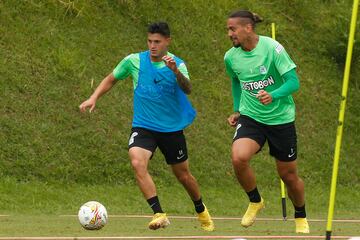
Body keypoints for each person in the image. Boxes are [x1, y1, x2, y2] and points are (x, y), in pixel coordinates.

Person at [79, 22, 214, 231]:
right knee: (137, 162)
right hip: (144, 126)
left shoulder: (177, 64)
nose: (153, 45)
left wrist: (175, 71)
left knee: (183, 175)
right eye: (150, 41)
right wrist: (93, 97)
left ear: (167, 41)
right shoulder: (134, 61)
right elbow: (111, 78)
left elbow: (188, 89)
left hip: (171, 129)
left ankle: (200, 208)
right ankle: (159, 213)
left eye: (157, 42)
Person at [224, 10, 309, 233]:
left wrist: (274, 94)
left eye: (233, 29)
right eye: (228, 30)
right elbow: (236, 81)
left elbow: (294, 82)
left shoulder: (272, 49)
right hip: (252, 117)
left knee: (288, 176)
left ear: (248, 28)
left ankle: (300, 214)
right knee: (238, 157)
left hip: (281, 119)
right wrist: (236, 109)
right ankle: (255, 200)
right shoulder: (230, 57)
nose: (229, 34)